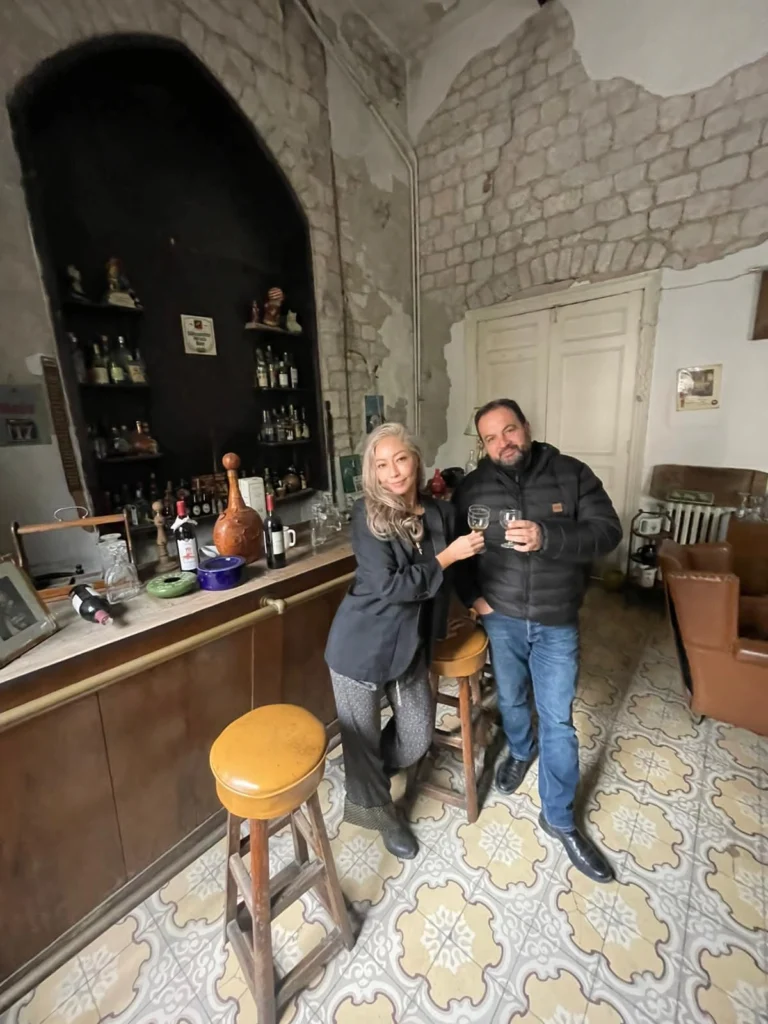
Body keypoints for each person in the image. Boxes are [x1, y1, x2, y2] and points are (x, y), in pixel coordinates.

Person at [453, 399, 622, 882]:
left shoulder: (571, 473)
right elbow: (458, 551)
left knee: (558, 719)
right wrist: (473, 597)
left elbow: (608, 532)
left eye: (509, 430)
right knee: (510, 698)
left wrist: (548, 536)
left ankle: (560, 818)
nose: (503, 443)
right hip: (501, 616)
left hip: (555, 619)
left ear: (525, 429)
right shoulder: (473, 487)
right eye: (490, 437)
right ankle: (521, 752)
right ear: (482, 445)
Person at [325, 422, 484, 859]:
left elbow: (447, 581)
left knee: (415, 736)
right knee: (360, 738)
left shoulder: (439, 513)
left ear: (416, 459)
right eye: (381, 464)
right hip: (361, 645)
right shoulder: (368, 516)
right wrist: (447, 555)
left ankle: (367, 770)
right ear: (371, 473)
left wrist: (449, 618)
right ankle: (379, 811)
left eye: (400, 459)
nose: (393, 472)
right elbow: (390, 586)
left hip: (410, 645)